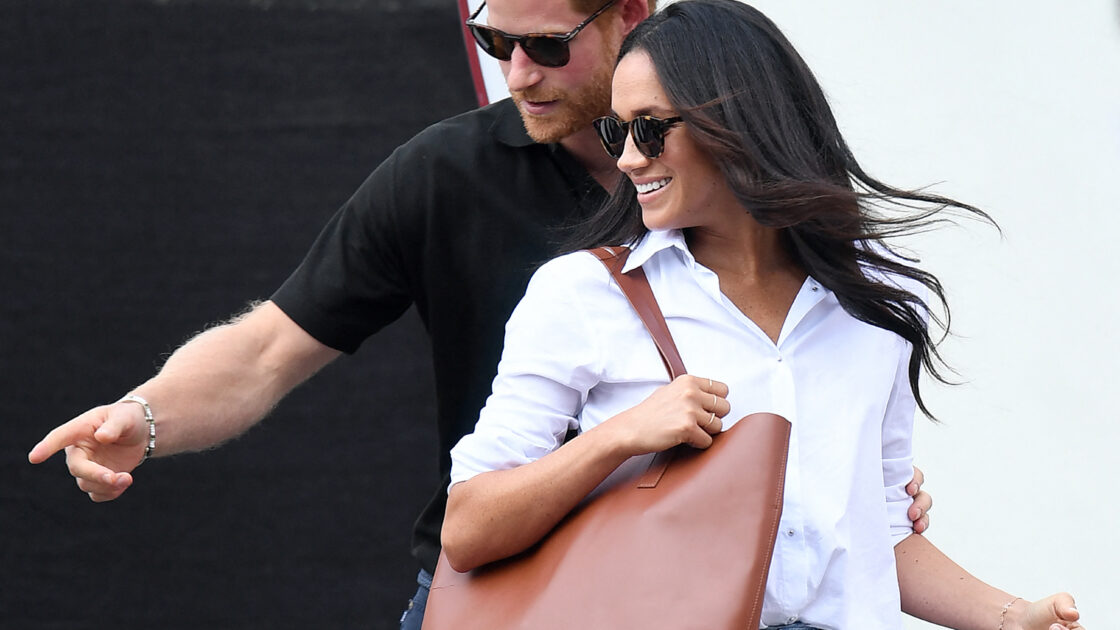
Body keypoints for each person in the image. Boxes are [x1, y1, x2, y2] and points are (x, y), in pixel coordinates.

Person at [26, 0, 930, 627]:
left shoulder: (789, 256)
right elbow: (267, 349)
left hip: (704, 597)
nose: (517, 73)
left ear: (629, 16)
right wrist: (144, 418)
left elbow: (862, 494)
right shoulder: (449, 176)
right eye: (495, 42)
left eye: (546, 46)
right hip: (512, 590)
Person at [440, 1, 1084, 629]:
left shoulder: (871, 294)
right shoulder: (585, 293)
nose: (629, 157)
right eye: (618, 131)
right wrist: (618, 437)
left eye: (651, 128)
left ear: (740, 122)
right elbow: (466, 528)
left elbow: (879, 537)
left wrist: (1011, 617)